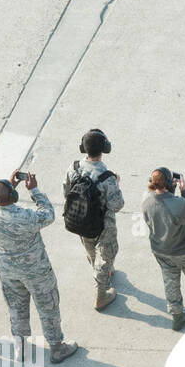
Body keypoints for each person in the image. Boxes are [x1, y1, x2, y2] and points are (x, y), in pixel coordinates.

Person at [0, 173, 79, 364]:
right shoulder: (26, 217)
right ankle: (57, 348)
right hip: (37, 272)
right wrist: (33, 190)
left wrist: (8, 186)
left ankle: (21, 349)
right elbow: (48, 214)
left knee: (16, 309)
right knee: (48, 308)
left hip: (9, 272)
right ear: (13, 196)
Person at [62, 129, 124, 310]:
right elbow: (117, 205)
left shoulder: (73, 167)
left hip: (79, 220)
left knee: (90, 249)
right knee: (105, 258)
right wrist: (116, 184)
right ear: (105, 148)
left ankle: (100, 271)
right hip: (103, 226)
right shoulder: (107, 177)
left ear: (83, 148)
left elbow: (66, 192)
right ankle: (101, 296)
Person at [141, 168, 185, 330]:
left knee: (170, 281)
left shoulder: (146, 201)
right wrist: (184, 191)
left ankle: (177, 314)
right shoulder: (178, 204)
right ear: (171, 183)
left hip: (161, 250)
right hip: (184, 251)